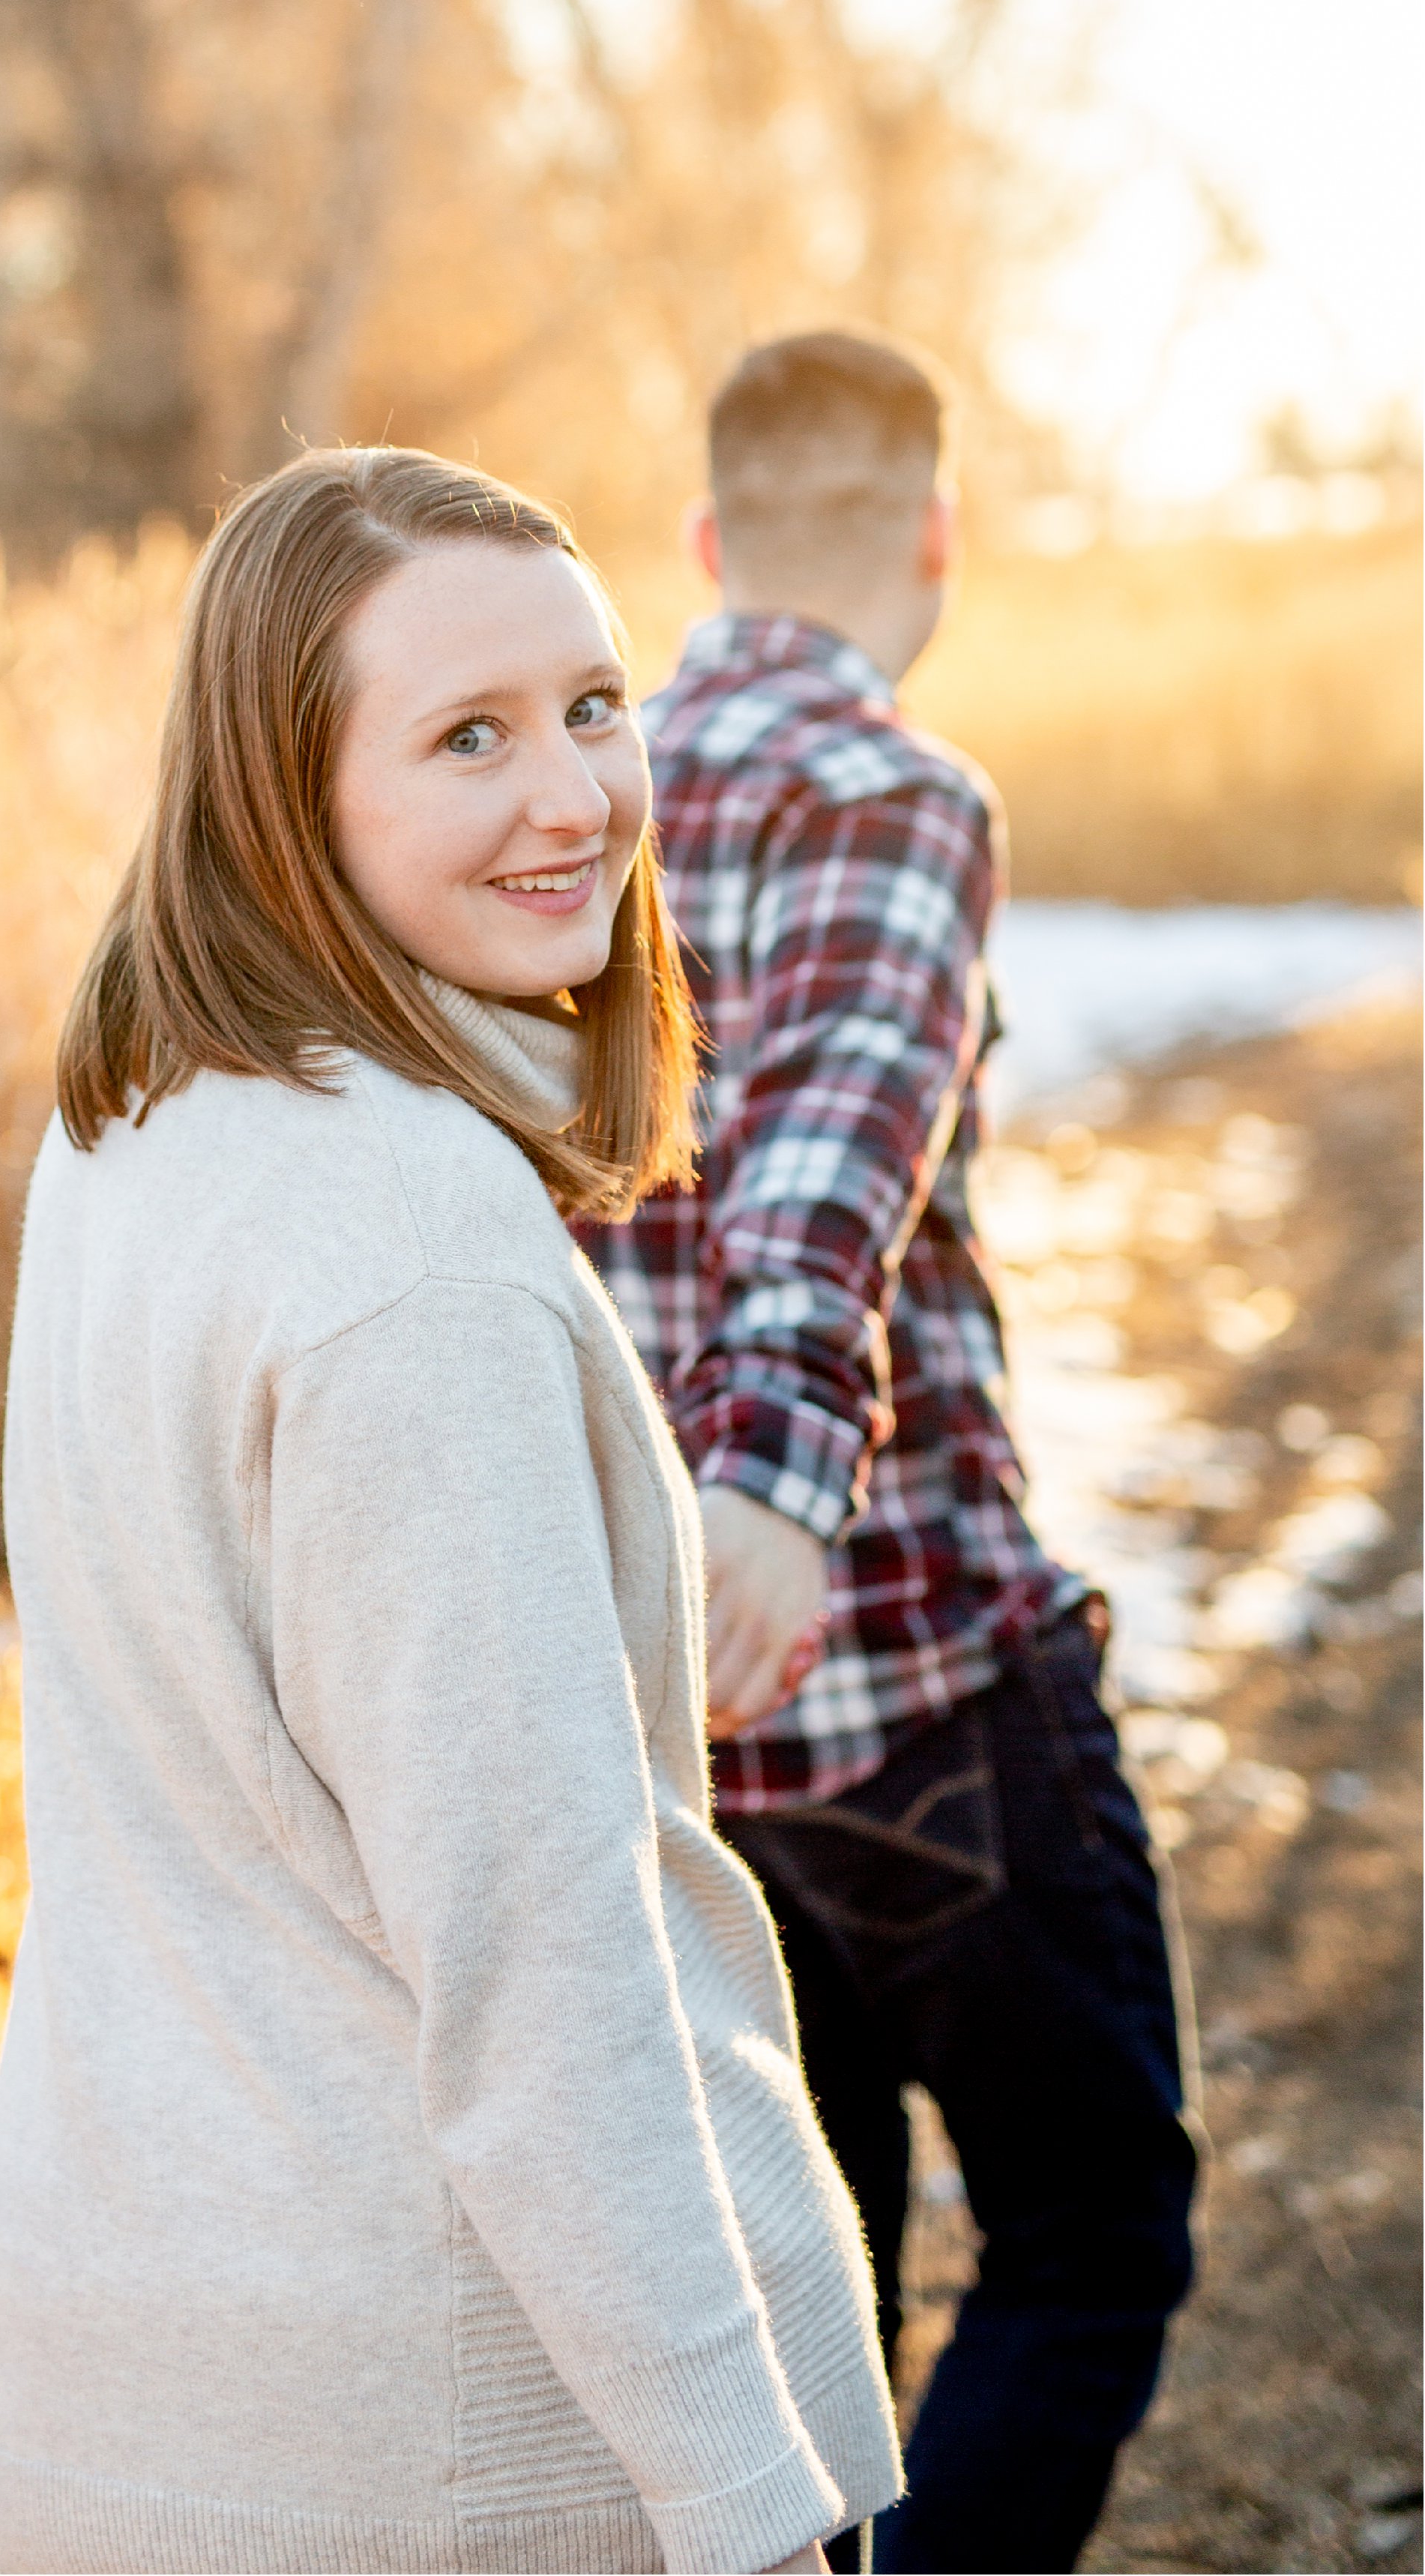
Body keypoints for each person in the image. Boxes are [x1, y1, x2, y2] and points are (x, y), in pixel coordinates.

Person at [0, 446, 902, 2576]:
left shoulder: (145, 1123)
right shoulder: (415, 1251)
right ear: (292, 794)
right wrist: (747, 2505)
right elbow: (543, 1968)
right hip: (454, 2446)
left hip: (143, 2382)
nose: (573, 799)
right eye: (466, 736)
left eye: (592, 703)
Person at [576, 334, 1201, 2576]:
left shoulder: (571, 800)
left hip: (686, 1719)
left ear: (711, 546)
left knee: (808, 2302)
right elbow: (834, 1146)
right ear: (934, 536)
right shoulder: (898, 792)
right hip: (913, 1666)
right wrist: (783, 1477)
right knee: (1097, 2222)